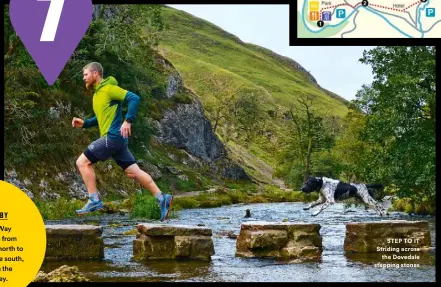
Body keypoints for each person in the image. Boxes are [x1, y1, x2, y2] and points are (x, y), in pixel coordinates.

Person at [72, 62, 173, 221]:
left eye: (86, 74)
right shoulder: (97, 94)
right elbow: (101, 118)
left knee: (82, 162)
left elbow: (134, 98)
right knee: (133, 172)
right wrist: (85, 123)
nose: (83, 78)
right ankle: (162, 198)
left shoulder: (109, 89)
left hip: (112, 137)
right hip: (117, 140)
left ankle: (94, 200)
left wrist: (128, 120)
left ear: (96, 73)